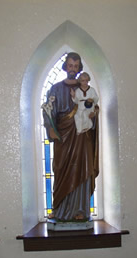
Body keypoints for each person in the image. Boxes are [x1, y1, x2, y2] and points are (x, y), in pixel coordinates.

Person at [42, 52, 99, 221]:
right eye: (70, 65)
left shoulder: (87, 90)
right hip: (63, 136)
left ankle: (80, 210)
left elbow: (94, 107)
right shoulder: (56, 88)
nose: (72, 69)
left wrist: (94, 114)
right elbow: (47, 110)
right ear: (65, 67)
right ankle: (60, 209)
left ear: (79, 68)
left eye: (76, 66)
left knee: (82, 168)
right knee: (61, 170)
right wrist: (49, 127)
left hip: (82, 134)